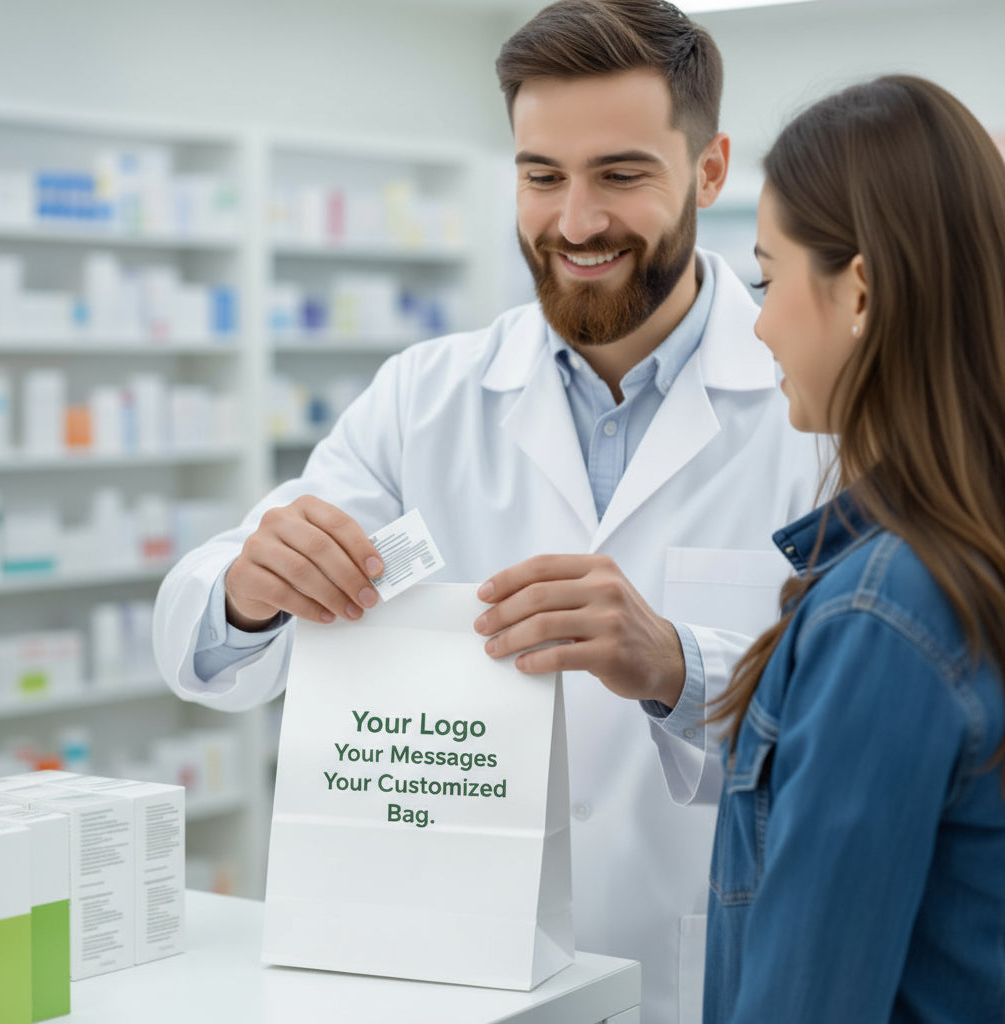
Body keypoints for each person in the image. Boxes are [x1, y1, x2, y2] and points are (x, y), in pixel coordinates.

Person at [153, 2, 820, 1020]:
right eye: (541, 175)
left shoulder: (813, 402)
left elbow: (882, 705)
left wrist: (681, 664)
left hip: (708, 968)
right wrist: (249, 590)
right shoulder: (426, 396)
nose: (577, 221)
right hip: (462, 976)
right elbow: (209, 655)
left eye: (622, 174)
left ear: (711, 169)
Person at [689, 75, 1005, 1021]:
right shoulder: (961, 558)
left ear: (858, 291)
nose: (758, 320)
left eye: (767, 276)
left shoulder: (887, 613)